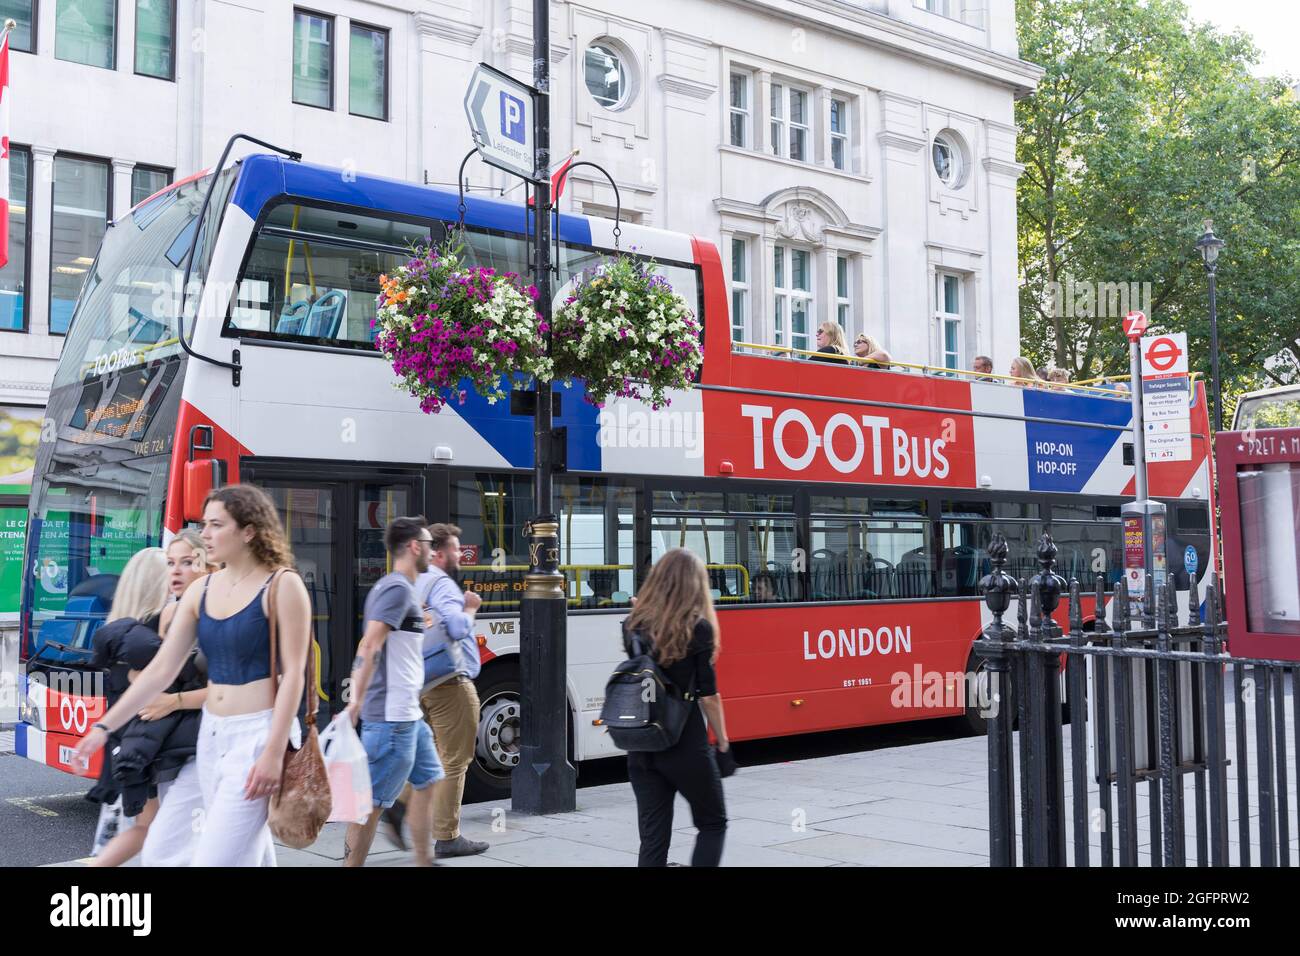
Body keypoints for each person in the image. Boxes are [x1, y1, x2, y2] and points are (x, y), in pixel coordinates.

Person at [74, 484, 313, 867]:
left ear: (248, 530)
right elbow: (160, 671)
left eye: (216, 525)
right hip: (211, 735)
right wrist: (103, 728)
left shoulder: (283, 586)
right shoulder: (202, 590)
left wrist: (272, 751)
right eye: (204, 524)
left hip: (257, 735)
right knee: (203, 851)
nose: (204, 534)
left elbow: (295, 676)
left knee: (214, 859)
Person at [90, 532, 214, 867]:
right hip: (159, 748)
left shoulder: (127, 630)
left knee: (147, 833)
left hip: (138, 746)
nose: (176, 572)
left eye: (186, 562)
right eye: (171, 564)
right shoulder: (160, 626)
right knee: (158, 836)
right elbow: (161, 679)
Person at [343, 516, 444, 867]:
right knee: (369, 806)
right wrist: (356, 700)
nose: (433, 551)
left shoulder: (401, 589)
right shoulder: (396, 589)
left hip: (409, 717)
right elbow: (370, 644)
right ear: (415, 546)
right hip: (391, 719)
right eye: (430, 544)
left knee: (429, 780)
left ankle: (423, 862)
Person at [622, 548, 730, 867]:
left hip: (641, 742)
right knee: (712, 823)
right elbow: (709, 696)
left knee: (653, 837)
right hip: (684, 741)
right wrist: (722, 739)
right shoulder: (698, 628)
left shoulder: (634, 623)